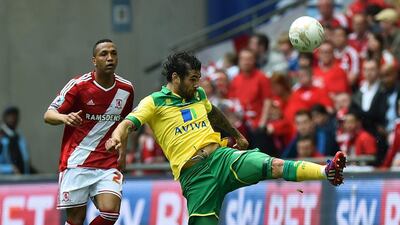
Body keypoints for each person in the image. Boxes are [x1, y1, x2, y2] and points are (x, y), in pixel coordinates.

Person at [106, 52, 346, 225]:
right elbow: (127, 124)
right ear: (176, 77)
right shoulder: (154, 102)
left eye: (198, 78)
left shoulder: (198, 94)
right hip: (195, 178)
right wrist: (117, 137)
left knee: (272, 165)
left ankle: (327, 172)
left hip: (222, 158)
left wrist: (237, 136)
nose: (197, 83)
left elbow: (213, 113)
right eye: (192, 78)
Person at [44, 39, 134, 225]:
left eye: (113, 53)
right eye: (104, 54)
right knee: (75, 220)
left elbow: (124, 124)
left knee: (110, 213)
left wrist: (123, 152)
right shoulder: (78, 85)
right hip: (77, 162)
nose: (110, 58)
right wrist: (64, 118)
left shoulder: (126, 89)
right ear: (94, 60)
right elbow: (48, 114)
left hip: (107, 162)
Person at [0, 106, 31, 174]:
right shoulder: (1, 138)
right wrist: (10, 169)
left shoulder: (20, 138)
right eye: (9, 115)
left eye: (15, 115)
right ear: (4, 118)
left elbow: (24, 162)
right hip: (6, 182)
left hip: (23, 180)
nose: (13, 118)